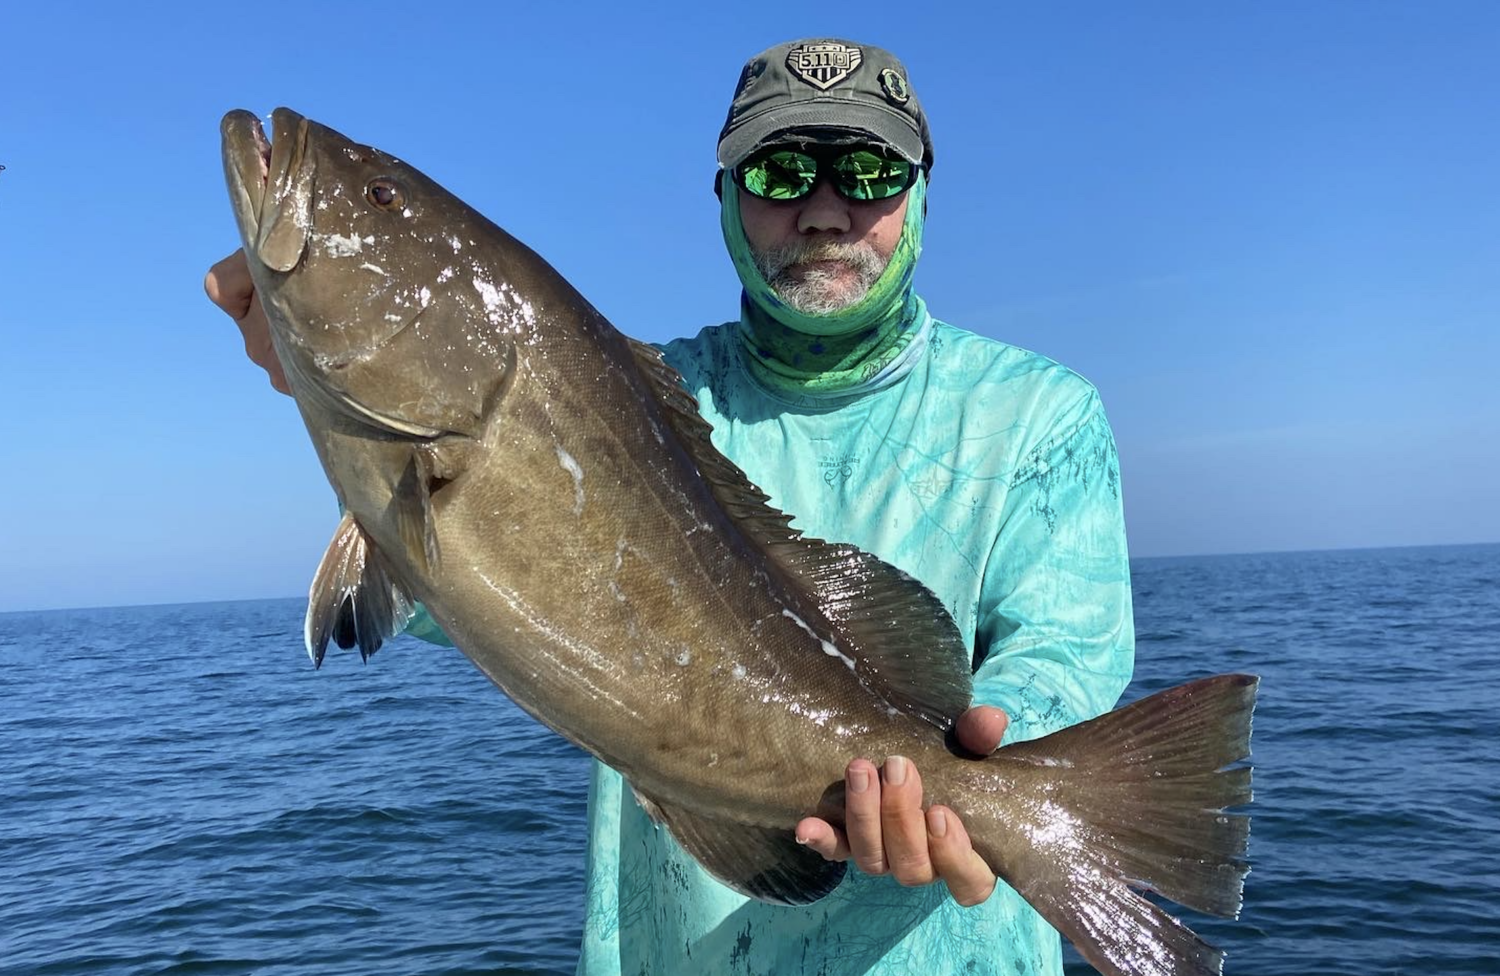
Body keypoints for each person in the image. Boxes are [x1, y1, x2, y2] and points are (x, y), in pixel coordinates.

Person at [206, 38, 1134, 976]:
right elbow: (453, 599)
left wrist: (987, 765)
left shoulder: (1041, 414)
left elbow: (1067, 652)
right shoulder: (650, 389)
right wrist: (324, 391)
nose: (821, 210)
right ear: (726, 195)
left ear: (922, 189)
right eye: (777, 174)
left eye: (866, 169)